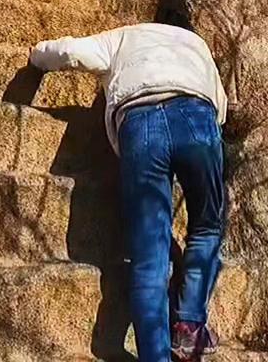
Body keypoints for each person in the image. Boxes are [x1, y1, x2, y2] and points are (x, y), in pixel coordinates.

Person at [28, 21, 227, 361]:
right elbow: (219, 103)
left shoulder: (122, 37)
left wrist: (36, 56)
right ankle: (190, 326)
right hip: (197, 115)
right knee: (207, 226)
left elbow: (71, 52)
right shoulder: (195, 42)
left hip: (140, 122)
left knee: (150, 255)